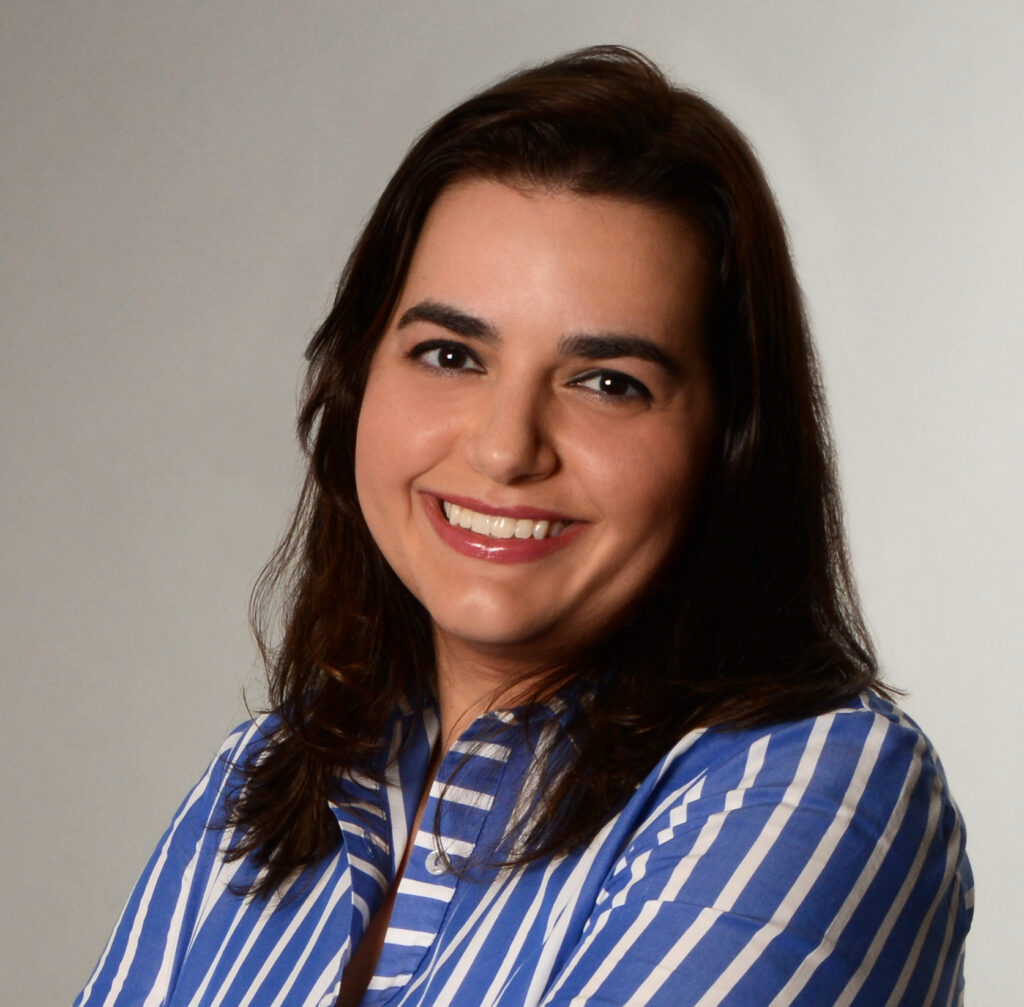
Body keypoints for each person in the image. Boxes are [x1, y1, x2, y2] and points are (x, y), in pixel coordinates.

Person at [74, 46, 971, 1007]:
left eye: (608, 382)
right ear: (356, 378)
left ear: (733, 441)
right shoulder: (255, 782)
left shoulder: (812, 790)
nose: (506, 449)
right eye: (451, 354)